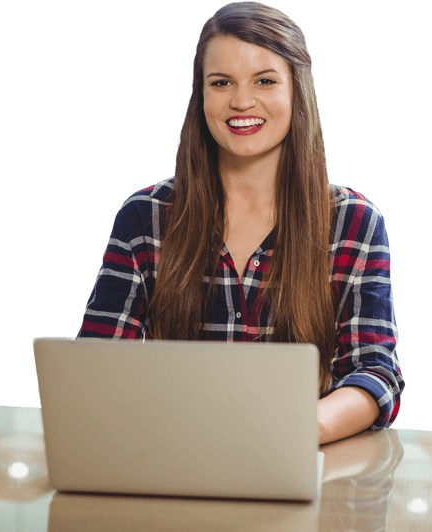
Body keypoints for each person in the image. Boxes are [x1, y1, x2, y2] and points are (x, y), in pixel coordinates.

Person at [77, 1, 403, 445]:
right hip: (171, 461)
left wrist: (295, 429)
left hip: (301, 468)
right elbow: (97, 368)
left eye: (265, 81)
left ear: (296, 91)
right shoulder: (145, 216)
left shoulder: (354, 222)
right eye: (222, 82)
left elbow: (374, 373)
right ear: (201, 95)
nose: (242, 101)